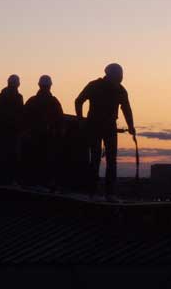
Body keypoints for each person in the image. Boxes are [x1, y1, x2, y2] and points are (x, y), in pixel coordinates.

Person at [75, 63, 136, 201]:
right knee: (100, 159)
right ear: (112, 74)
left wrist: (131, 126)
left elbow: (126, 109)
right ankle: (96, 192)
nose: (121, 78)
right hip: (96, 126)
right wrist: (80, 121)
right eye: (119, 75)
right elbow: (78, 101)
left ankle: (102, 193)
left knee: (106, 160)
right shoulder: (99, 86)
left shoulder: (117, 89)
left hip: (105, 127)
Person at [22, 75, 64, 188]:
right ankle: (45, 183)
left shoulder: (32, 101)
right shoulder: (54, 102)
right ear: (50, 86)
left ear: (39, 85)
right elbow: (60, 119)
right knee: (47, 160)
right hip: (47, 137)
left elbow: (23, 118)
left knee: (35, 160)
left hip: (35, 137)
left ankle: (34, 182)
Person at [0, 74, 24, 185]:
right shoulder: (18, 98)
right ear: (18, 84)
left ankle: (2, 182)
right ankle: (9, 181)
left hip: (2, 134)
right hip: (12, 135)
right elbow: (21, 116)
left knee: (2, 160)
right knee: (12, 159)